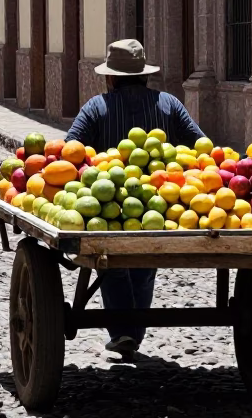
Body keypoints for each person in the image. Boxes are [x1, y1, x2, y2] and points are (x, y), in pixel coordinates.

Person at [67, 39, 206, 361]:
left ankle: (124, 333)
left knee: (113, 265)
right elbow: (201, 145)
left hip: (108, 202)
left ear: (110, 77)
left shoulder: (97, 107)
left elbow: (71, 149)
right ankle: (131, 332)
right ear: (145, 75)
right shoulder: (168, 104)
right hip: (162, 204)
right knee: (144, 264)